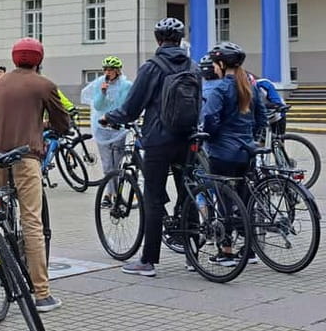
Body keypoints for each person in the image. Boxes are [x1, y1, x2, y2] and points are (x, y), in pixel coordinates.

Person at [0, 37, 69, 313]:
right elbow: (62, 123)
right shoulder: (44, 85)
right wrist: (45, 125)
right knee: (32, 221)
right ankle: (42, 294)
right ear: (39, 60)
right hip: (26, 157)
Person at [102, 18, 198, 278]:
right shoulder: (193, 66)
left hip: (159, 139)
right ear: (180, 39)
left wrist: (111, 117)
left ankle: (148, 261)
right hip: (188, 138)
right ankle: (192, 254)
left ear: (158, 40)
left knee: (153, 197)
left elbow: (132, 107)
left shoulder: (152, 67)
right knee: (187, 192)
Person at [202, 42, 266, 265]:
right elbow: (262, 118)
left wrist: (209, 136)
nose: (214, 68)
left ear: (221, 64)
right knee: (245, 201)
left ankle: (227, 251)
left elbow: (209, 118)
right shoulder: (250, 86)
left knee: (224, 201)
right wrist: (251, 138)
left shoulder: (220, 89)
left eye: (215, 64)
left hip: (222, 153)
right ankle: (249, 250)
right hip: (246, 152)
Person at [80, 56, 132, 208]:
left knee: (116, 164)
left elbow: (123, 105)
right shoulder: (99, 83)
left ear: (117, 71)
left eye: (111, 70)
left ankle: (114, 194)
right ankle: (110, 195)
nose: (107, 72)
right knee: (107, 165)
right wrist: (103, 92)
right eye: (105, 70)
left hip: (118, 128)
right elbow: (98, 106)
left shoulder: (126, 85)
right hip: (102, 128)